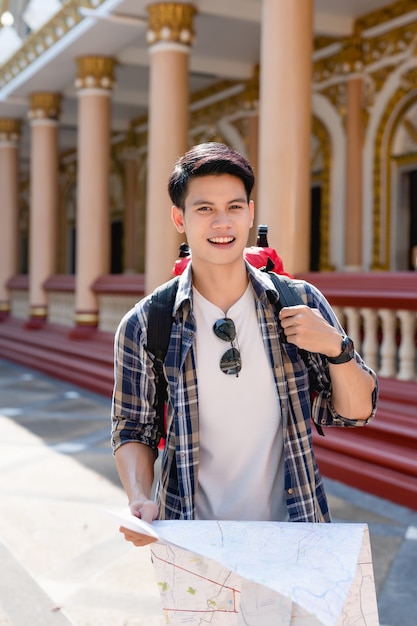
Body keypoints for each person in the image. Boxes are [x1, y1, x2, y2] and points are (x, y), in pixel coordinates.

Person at [111, 142, 378, 547]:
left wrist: (336, 348)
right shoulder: (147, 323)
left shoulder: (299, 302)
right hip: (191, 538)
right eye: (205, 209)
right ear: (178, 218)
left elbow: (357, 412)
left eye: (235, 207)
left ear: (250, 213)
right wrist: (139, 498)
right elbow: (134, 427)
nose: (223, 223)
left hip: (295, 531)